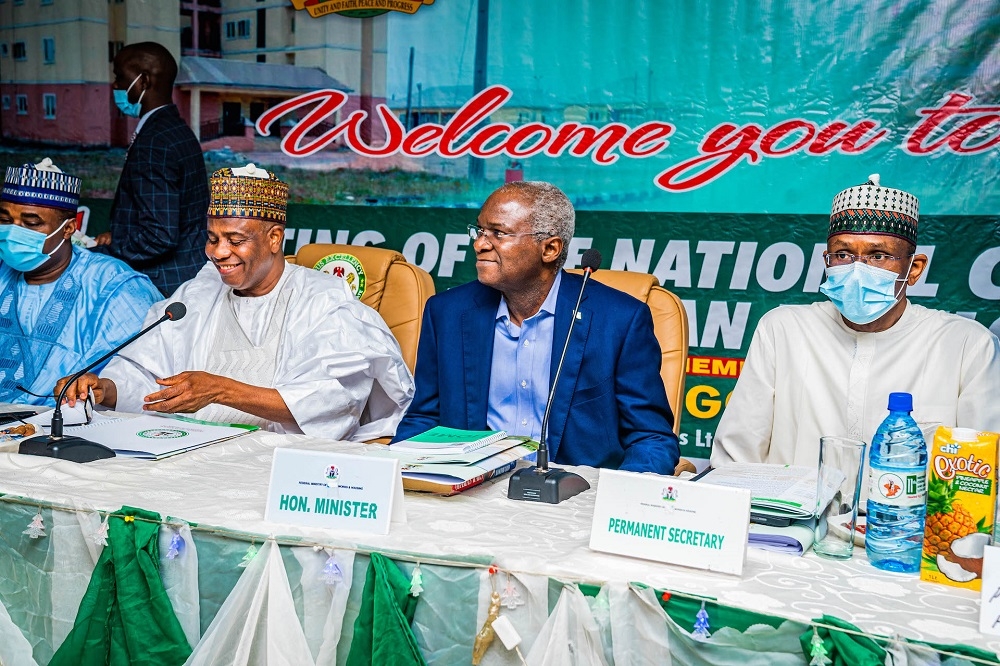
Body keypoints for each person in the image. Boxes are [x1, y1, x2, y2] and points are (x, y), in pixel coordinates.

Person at [58, 165, 414, 440]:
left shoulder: (322, 302)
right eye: (212, 238)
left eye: (234, 239)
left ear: (274, 238)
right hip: (186, 451)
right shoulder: (197, 296)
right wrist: (105, 390)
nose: (218, 252)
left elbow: (333, 401)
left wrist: (221, 390)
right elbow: (151, 381)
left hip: (278, 464)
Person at [712, 174, 1000, 467]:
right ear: (827, 260)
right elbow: (734, 460)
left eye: (878, 256)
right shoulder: (782, 330)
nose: (857, 269)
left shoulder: (968, 346)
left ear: (914, 269)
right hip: (789, 513)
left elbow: (981, 477)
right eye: (843, 253)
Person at [393, 181, 680, 474]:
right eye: (479, 230)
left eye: (499, 233)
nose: (479, 243)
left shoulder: (619, 321)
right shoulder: (448, 313)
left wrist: (614, 503)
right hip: (470, 494)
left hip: (575, 499)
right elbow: (423, 419)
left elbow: (651, 438)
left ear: (550, 249)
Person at [0, 159, 160, 406]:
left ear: (69, 229)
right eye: (5, 220)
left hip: (73, 427)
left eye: (31, 224)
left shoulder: (115, 287)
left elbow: (147, 376)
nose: (13, 232)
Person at [93, 41, 209, 297]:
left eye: (120, 77)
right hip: (185, 274)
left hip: (160, 284)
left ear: (143, 81)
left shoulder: (155, 141)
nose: (114, 86)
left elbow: (159, 236)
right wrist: (118, 237)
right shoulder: (176, 130)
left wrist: (100, 253)